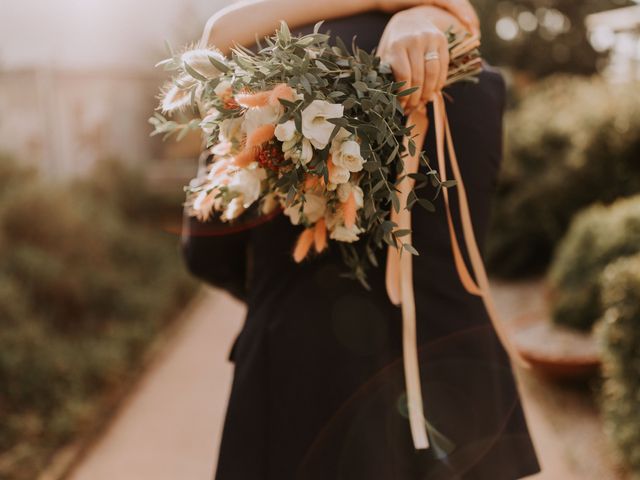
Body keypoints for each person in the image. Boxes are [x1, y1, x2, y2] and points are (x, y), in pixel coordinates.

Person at [182, 1, 542, 478]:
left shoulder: (262, 71)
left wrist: (279, 298)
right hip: (457, 396)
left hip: (300, 388)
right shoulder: (482, 79)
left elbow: (207, 249)